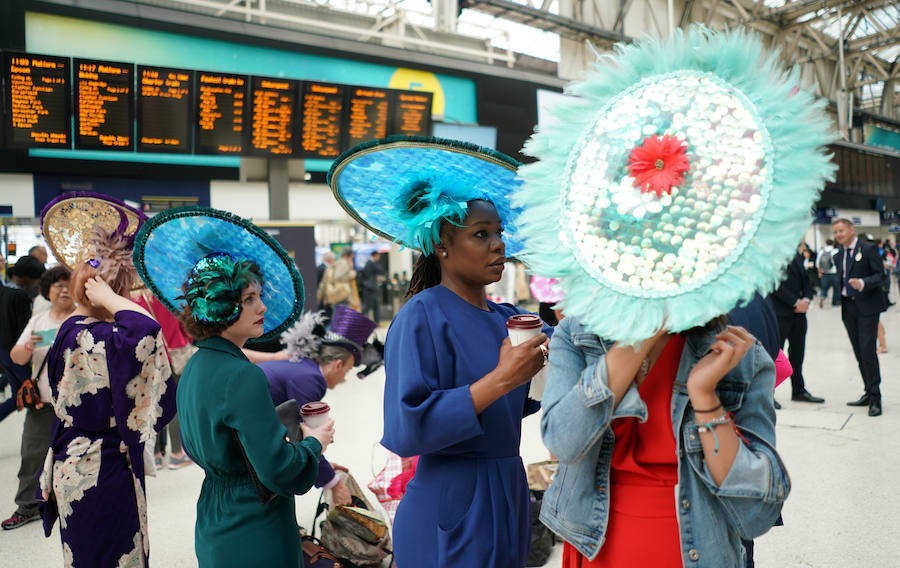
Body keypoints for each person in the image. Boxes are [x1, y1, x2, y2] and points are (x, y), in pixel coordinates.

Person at [327, 136, 551, 566]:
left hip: (509, 490)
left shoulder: (508, 318)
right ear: (442, 245)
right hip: (452, 498)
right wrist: (504, 377)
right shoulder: (421, 316)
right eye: (481, 234)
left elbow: (520, 403)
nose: (497, 244)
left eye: (499, 233)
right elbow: (407, 428)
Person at [133, 206, 333, 568]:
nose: (263, 306)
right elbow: (280, 472)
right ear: (222, 307)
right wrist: (314, 443)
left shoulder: (195, 367)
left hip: (214, 516)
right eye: (249, 299)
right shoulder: (242, 375)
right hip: (254, 524)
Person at [39, 266, 176, 565]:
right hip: (99, 465)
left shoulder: (73, 328)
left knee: (94, 552)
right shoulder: (91, 336)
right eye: (124, 291)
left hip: (79, 458)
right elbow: (147, 331)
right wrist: (110, 296)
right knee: (109, 554)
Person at [258, 304, 378, 506]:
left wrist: (324, 468)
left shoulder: (302, 368)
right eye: (347, 371)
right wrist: (333, 483)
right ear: (337, 364)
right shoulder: (311, 379)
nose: (343, 380)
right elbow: (308, 434)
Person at [2, 266, 75, 530]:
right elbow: (17, 357)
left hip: (78, 406)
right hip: (43, 403)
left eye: (69, 285)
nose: (64, 290)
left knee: (75, 458)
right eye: (58, 285)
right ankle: (27, 506)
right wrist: (29, 345)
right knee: (31, 455)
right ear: (47, 290)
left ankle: (71, 502)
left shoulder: (83, 318)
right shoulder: (39, 321)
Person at [833, 218, 886, 416]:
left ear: (851, 230)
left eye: (841, 231)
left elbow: (880, 276)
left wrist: (863, 283)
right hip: (848, 308)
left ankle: (875, 398)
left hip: (867, 307)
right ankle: (867, 391)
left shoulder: (868, 249)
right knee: (858, 352)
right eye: (836, 232)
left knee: (867, 351)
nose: (838, 235)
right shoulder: (838, 255)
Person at [767, 249, 825, 404]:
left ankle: (798, 390)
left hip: (799, 314)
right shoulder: (772, 255)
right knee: (775, 355)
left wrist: (806, 299)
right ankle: (767, 393)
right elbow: (773, 283)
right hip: (780, 313)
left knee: (798, 353)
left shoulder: (795, 253)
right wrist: (794, 302)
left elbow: (806, 279)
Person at [360, 251, 386, 323]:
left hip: (371, 288)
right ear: (375, 255)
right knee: (368, 306)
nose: (379, 258)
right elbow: (381, 270)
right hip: (370, 289)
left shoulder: (369, 263)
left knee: (375, 306)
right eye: (378, 256)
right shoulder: (371, 263)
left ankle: (376, 322)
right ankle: (359, 320)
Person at [817, 239, 840, 308]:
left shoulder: (821, 251)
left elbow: (817, 263)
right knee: (836, 288)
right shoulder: (836, 251)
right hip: (834, 273)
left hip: (824, 273)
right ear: (833, 243)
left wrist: (819, 272)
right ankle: (835, 303)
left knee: (824, 288)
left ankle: (822, 297)